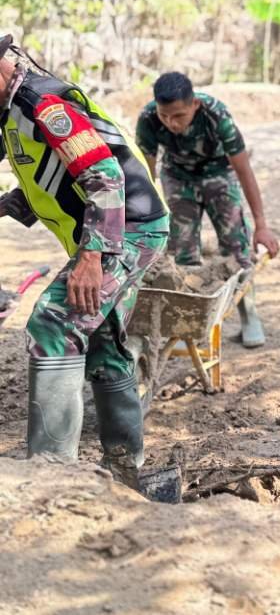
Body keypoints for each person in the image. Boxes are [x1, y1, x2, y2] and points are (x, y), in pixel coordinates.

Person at [0, 34, 169, 486]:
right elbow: (47, 176)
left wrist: (92, 258)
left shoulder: (43, 105)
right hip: (113, 227)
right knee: (103, 342)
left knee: (53, 324)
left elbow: (104, 175)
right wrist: (10, 204)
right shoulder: (10, 112)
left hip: (128, 228)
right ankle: (126, 473)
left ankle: (51, 478)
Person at [136, 72, 279, 348]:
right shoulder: (148, 118)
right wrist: (144, 225)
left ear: (195, 105)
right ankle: (185, 326)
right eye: (165, 116)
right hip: (177, 177)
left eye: (179, 115)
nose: (171, 123)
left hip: (218, 174)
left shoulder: (216, 115)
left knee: (236, 246)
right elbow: (146, 175)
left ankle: (249, 316)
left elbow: (243, 170)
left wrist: (261, 225)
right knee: (183, 253)